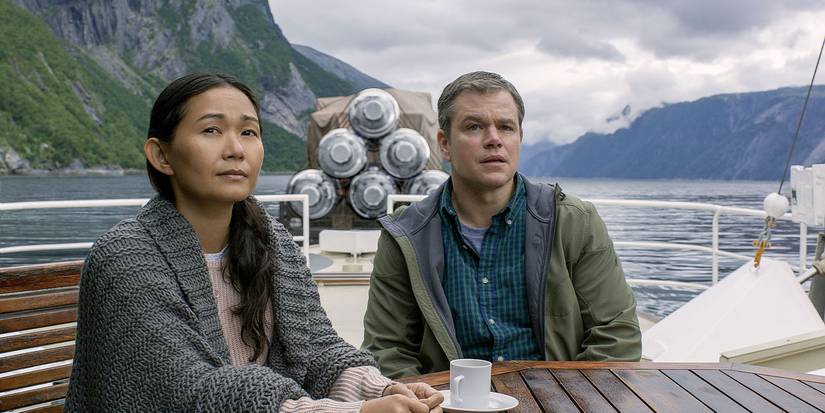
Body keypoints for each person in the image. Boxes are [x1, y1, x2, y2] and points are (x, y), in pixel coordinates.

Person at [65, 73, 443, 412]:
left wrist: (382, 390)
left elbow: (319, 352)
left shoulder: (271, 241)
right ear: (161, 155)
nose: (236, 149)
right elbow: (187, 391)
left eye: (249, 132)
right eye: (212, 130)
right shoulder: (126, 257)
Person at [362, 71, 641, 378]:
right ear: (444, 145)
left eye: (506, 127)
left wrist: (569, 401)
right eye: (474, 127)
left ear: (519, 138)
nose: (494, 139)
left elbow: (616, 336)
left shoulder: (574, 222)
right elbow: (388, 352)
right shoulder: (406, 237)